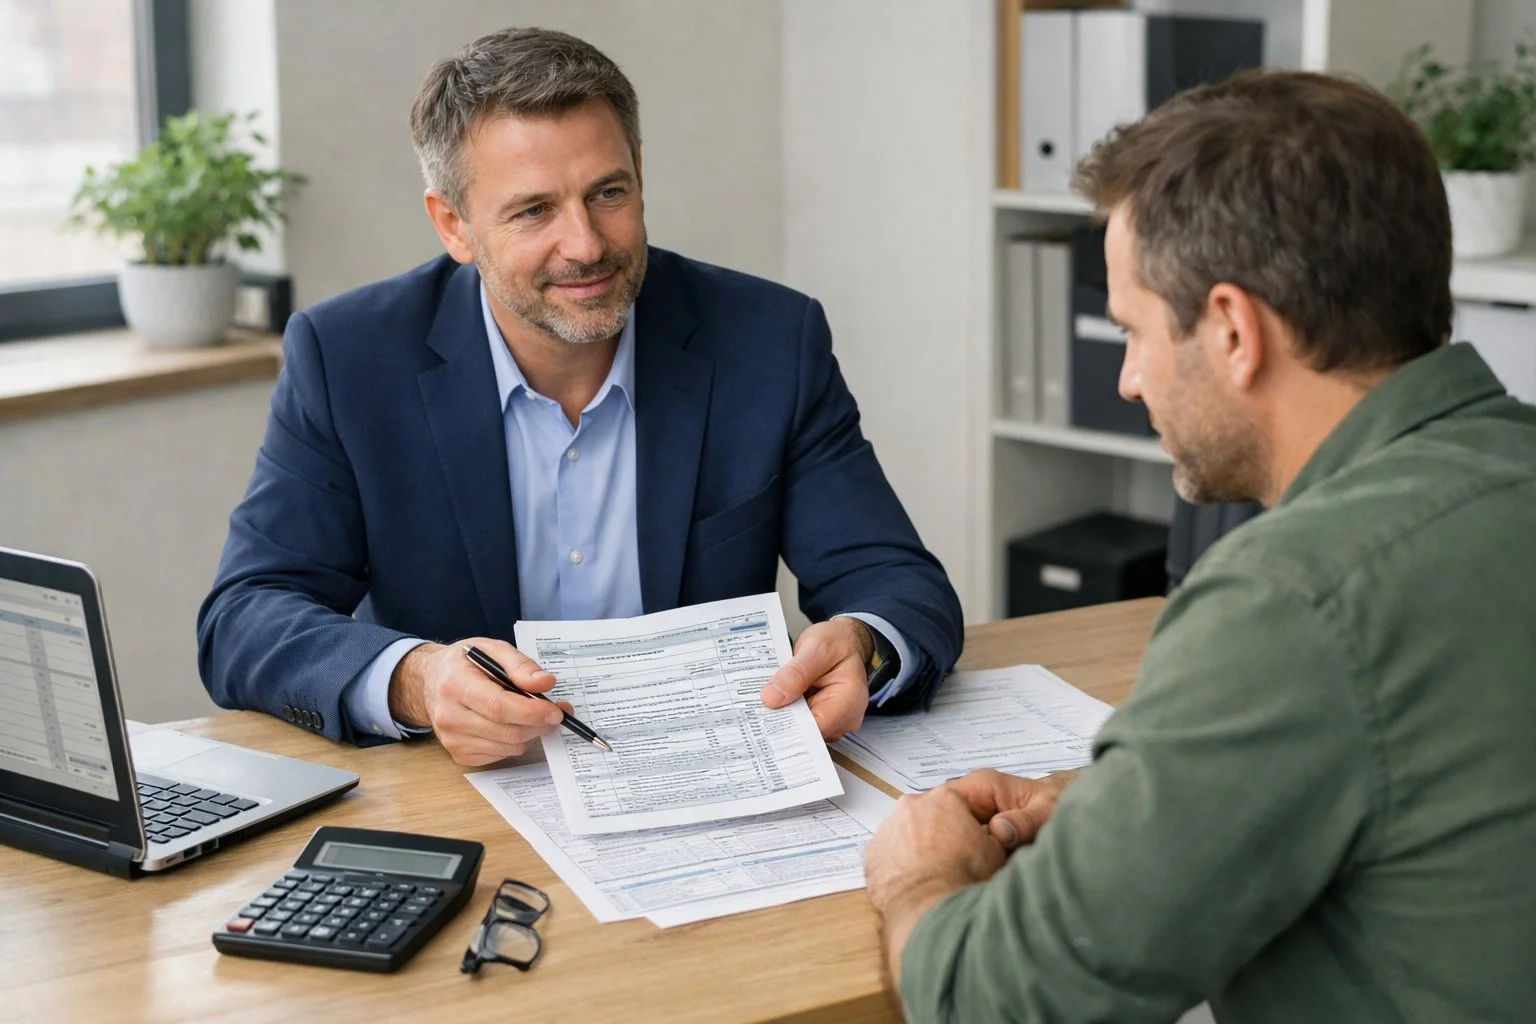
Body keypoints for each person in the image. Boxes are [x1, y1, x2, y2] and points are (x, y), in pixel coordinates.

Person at [864, 70, 1536, 1023]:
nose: (1130, 381)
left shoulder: (1294, 596)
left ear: (1231, 330)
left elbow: (999, 1001)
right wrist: (1140, 808)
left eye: (1133, 331)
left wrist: (918, 876)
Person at [197, 27, 962, 765]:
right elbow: (247, 616)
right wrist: (417, 680)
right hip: (469, 797)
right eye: (534, 211)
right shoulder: (349, 358)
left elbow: (897, 583)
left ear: (640, 175)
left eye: (608, 193)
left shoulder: (768, 340)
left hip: (709, 780)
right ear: (454, 226)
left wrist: (862, 639)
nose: (587, 243)